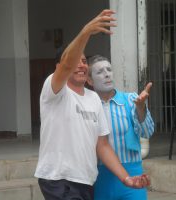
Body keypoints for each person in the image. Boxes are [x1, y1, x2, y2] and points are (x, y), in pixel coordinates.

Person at [34, 10, 150, 200]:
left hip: (86, 180)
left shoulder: (93, 98)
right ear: (59, 68)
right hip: (58, 179)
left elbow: (102, 145)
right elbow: (65, 65)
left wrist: (126, 178)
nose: (80, 65)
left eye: (83, 61)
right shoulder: (53, 90)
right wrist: (85, 32)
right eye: (74, 61)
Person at [87, 55, 154, 200]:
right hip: (100, 176)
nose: (107, 74)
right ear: (90, 80)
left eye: (109, 69)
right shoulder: (87, 105)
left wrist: (141, 109)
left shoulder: (131, 100)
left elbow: (147, 132)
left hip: (132, 173)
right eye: (100, 72)